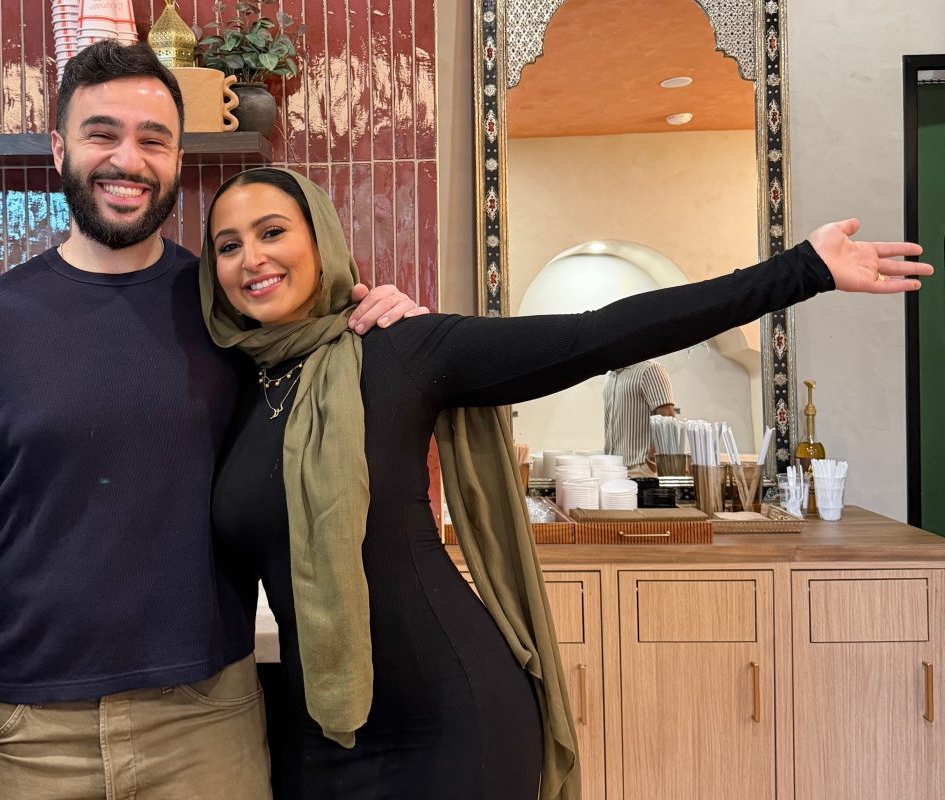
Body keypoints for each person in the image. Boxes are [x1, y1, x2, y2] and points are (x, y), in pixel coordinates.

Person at [198, 166, 932, 799]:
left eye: (272, 232)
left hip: (449, 718)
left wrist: (801, 269)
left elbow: (595, 336)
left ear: (319, 241)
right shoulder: (232, 386)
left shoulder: (397, 347)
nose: (251, 259)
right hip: (317, 728)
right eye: (227, 246)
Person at [0, 41, 423, 800]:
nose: (127, 160)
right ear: (59, 148)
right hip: (32, 733)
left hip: (205, 723)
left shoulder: (229, 313)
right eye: (102, 134)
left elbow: (332, 367)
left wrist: (398, 327)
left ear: (177, 158)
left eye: (153, 139)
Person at [603, 358, 675, 476]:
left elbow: (667, 418)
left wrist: (651, 462)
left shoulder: (650, 369)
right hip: (611, 469)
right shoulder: (610, 376)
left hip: (640, 469)